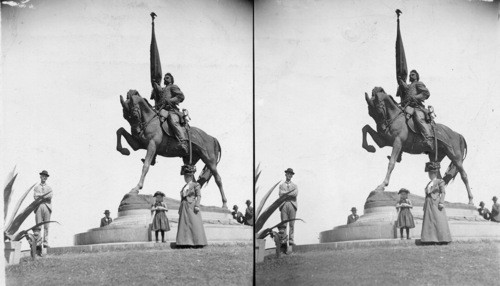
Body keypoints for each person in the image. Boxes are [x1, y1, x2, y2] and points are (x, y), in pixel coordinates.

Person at [151, 72, 188, 153]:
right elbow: (158, 90)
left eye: (167, 77)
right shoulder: (163, 90)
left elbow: (181, 96)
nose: (165, 79)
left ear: (171, 79)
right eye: (164, 78)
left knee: (173, 121)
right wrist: (154, 83)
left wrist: (170, 100)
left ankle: (183, 142)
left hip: (171, 110)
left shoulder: (173, 87)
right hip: (161, 111)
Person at [397, 69, 433, 150]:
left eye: (413, 74)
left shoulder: (418, 84)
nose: (410, 76)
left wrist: (416, 97)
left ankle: (428, 139)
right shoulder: (409, 86)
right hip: (406, 107)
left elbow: (426, 93)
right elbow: (405, 87)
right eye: (410, 75)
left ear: (417, 76)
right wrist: (400, 80)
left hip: (416, 107)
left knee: (419, 118)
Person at [176, 165, 207, 247]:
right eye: (185, 176)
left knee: (194, 223)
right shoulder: (184, 187)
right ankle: (184, 242)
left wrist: (197, 205)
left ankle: (197, 242)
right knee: (184, 224)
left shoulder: (195, 185)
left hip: (191, 206)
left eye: (188, 176)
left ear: (191, 176)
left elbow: (199, 196)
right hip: (184, 206)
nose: (186, 178)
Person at [421, 162, 452, 244]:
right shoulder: (429, 183)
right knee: (429, 221)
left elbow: (443, 192)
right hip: (428, 203)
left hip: (436, 203)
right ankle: (430, 239)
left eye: (431, 173)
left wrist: (441, 202)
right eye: (429, 173)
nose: (430, 174)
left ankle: (442, 239)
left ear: (435, 173)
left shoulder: (440, 181)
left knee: (438, 220)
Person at [33, 170, 53, 249]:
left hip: (47, 207)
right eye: (43, 176)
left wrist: (40, 195)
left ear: (47, 178)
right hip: (38, 207)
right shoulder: (36, 187)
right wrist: (44, 196)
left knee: (46, 226)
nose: (44, 177)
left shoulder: (49, 188)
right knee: (38, 226)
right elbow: (35, 197)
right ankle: (38, 243)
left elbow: (50, 196)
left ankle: (45, 243)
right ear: (40, 176)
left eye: (46, 176)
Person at [278, 168, 298, 245]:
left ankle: (291, 240)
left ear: (292, 176)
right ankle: (283, 240)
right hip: (284, 205)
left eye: (291, 174)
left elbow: (295, 194)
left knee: (292, 224)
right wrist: (290, 193)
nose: (289, 175)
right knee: (284, 224)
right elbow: (280, 194)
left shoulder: (295, 185)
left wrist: (285, 193)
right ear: (285, 174)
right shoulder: (281, 185)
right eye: (288, 174)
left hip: (292, 204)